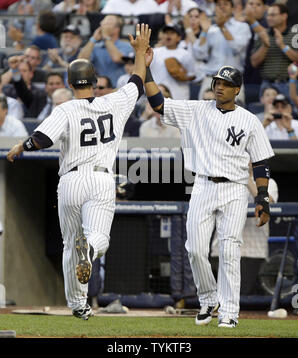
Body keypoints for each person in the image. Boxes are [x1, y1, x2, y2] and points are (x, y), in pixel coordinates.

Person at [6, 23, 151, 320]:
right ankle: (92, 249)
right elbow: (137, 81)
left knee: (70, 246)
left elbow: (42, 140)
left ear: (71, 84)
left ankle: (78, 305)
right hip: (99, 178)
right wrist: (139, 54)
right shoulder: (114, 101)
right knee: (98, 238)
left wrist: (22, 145)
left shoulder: (65, 109)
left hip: (70, 180)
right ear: (95, 81)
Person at [144, 58, 274, 327]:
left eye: (227, 84)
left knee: (229, 250)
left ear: (237, 90)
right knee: (195, 249)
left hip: (236, 188)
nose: (220, 87)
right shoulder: (196, 110)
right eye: (218, 82)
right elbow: (159, 104)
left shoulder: (249, 120)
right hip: (203, 184)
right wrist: (144, 68)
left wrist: (261, 197)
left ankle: (229, 311)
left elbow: (261, 162)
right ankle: (207, 299)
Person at [210, 163, 278, 296]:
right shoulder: (223, 180)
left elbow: (268, 202)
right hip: (222, 249)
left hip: (252, 251)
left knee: (245, 298)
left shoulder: (269, 183)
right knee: (221, 296)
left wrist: (247, 180)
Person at [193, 0, 252, 103]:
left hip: (232, 79)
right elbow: (199, 54)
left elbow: (236, 47)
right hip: (211, 78)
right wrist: (204, 31)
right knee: (203, 116)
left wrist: (223, 27)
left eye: (225, 4)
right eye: (219, 5)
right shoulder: (210, 29)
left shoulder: (242, 27)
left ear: (232, 8)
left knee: (235, 117)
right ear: (215, 8)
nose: (222, 7)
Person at [250, 3, 298, 99]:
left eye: (273, 15)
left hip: (289, 84)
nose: (269, 18)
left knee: (291, 113)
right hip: (267, 85)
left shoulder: (295, 34)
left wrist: (282, 46)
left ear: (284, 16)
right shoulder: (263, 34)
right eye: (267, 15)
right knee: (266, 113)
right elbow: (254, 63)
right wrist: (265, 45)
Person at [78, 15, 133, 87]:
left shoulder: (126, 45)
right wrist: (93, 39)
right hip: (100, 88)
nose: (103, 26)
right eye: (103, 23)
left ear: (117, 29)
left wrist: (106, 37)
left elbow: (117, 58)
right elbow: (81, 61)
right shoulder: (96, 46)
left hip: (119, 88)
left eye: (107, 24)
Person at [150, 24, 196, 100]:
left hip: (179, 96)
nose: (168, 35)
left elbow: (193, 75)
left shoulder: (185, 54)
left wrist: (182, 76)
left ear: (179, 38)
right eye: (166, 33)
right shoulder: (154, 52)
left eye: (172, 33)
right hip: (159, 95)